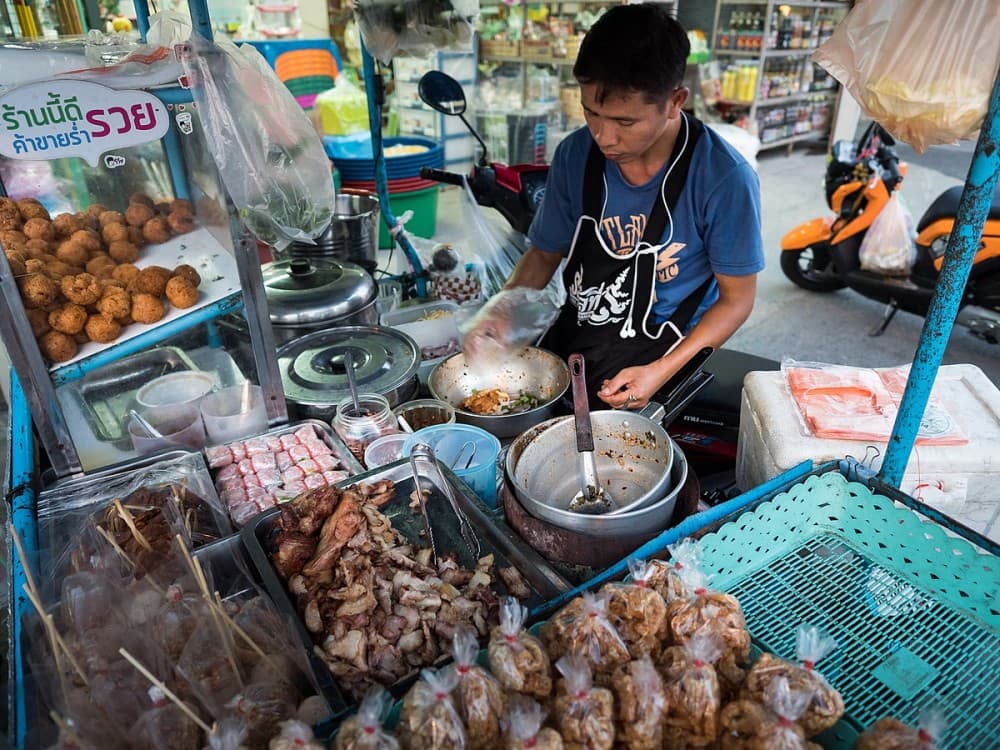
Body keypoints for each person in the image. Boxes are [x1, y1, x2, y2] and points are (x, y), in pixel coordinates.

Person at [466, 4, 765, 409]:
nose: (604, 136)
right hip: (579, 337)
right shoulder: (576, 154)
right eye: (591, 112)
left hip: (669, 353)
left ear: (675, 101)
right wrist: (501, 311)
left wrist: (662, 369)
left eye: (625, 122)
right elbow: (542, 254)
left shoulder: (722, 179)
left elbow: (736, 300)